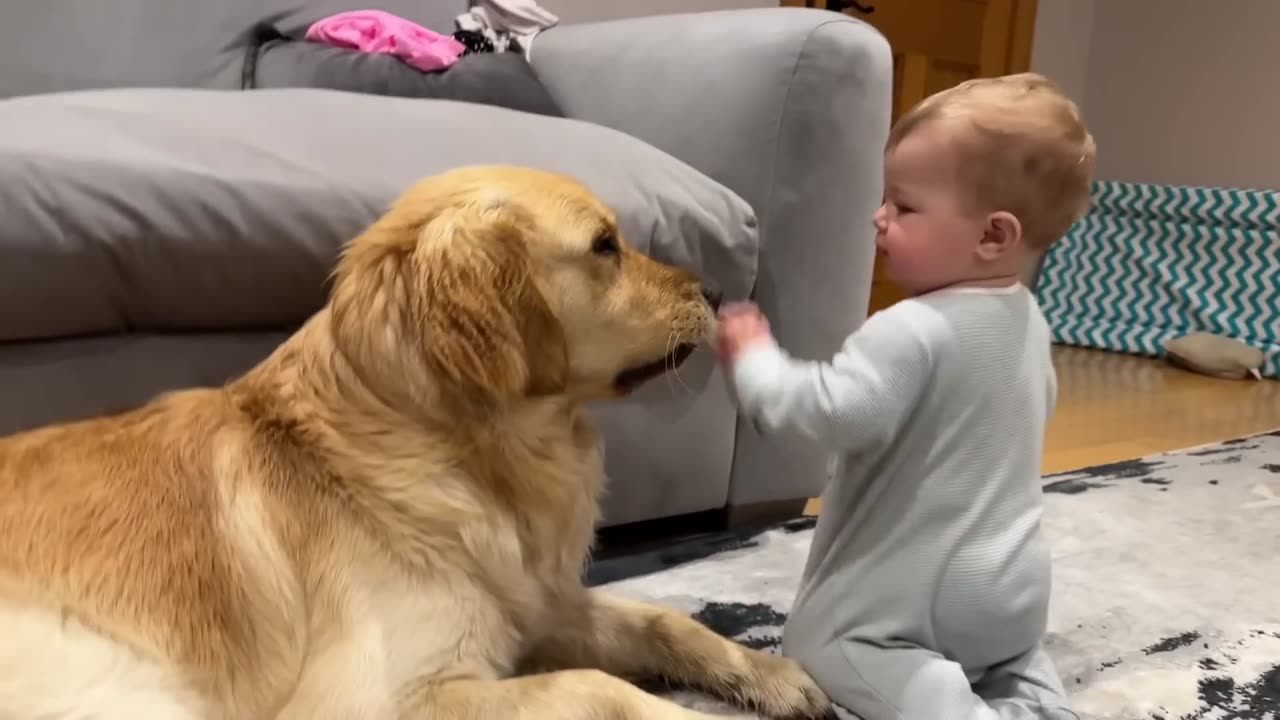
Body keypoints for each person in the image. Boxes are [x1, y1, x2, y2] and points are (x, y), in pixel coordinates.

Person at [714, 72, 1095, 720]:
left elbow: (824, 412)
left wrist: (755, 360)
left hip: (918, 596)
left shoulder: (907, 329)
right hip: (1013, 582)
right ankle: (1033, 699)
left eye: (905, 206)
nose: (878, 215)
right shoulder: (1027, 319)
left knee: (822, 644)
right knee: (1009, 662)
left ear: (993, 236)